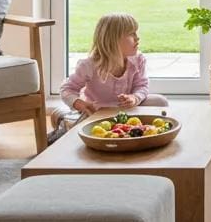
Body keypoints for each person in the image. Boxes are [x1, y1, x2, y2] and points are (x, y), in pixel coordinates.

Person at [50, 12, 168, 142]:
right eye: (132, 33)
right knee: (78, 133)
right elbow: (67, 88)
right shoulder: (89, 65)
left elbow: (142, 86)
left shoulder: (138, 60)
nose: (137, 38)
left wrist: (135, 97)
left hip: (127, 109)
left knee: (160, 102)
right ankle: (64, 123)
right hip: (97, 112)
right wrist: (80, 104)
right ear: (114, 40)